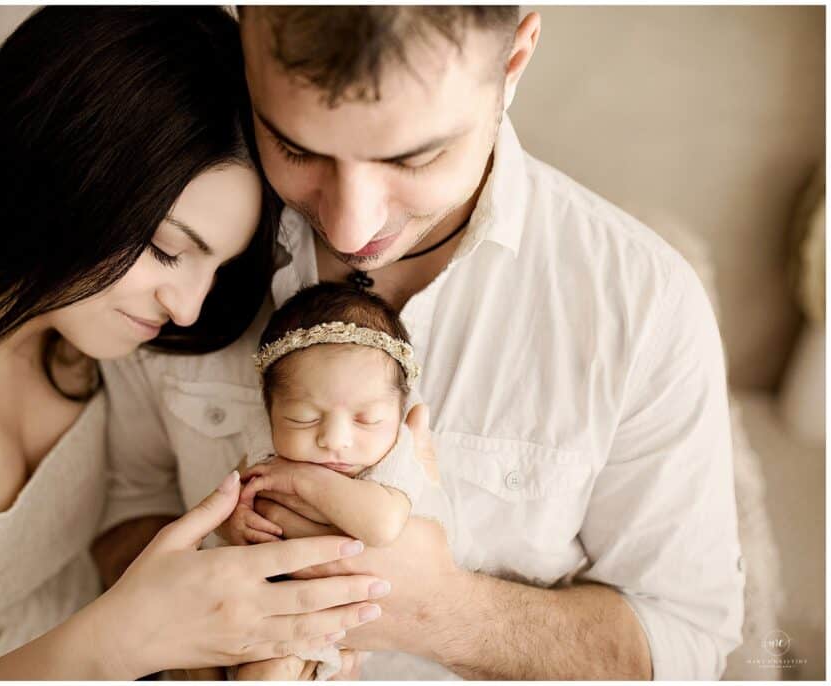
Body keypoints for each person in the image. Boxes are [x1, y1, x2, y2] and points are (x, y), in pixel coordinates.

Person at [98, 5, 745, 681]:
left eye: (414, 156)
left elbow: (684, 637)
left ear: (513, 62)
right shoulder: (172, 230)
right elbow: (123, 510)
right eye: (296, 146)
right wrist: (194, 646)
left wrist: (440, 610)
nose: (350, 229)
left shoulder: (642, 304)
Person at [0, 7, 388, 679]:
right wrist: (129, 639)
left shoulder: (91, 335)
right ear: (65, 170)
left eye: (218, 268)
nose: (188, 306)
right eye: (170, 251)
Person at [211, 283, 453, 681]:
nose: (334, 440)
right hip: (253, 606)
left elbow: (381, 525)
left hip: (337, 623)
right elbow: (224, 504)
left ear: (399, 412)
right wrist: (234, 521)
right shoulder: (264, 448)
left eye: (367, 419)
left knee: (273, 671)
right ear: (269, 413)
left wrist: (300, 478)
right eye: (303, 418)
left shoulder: (395, 459)